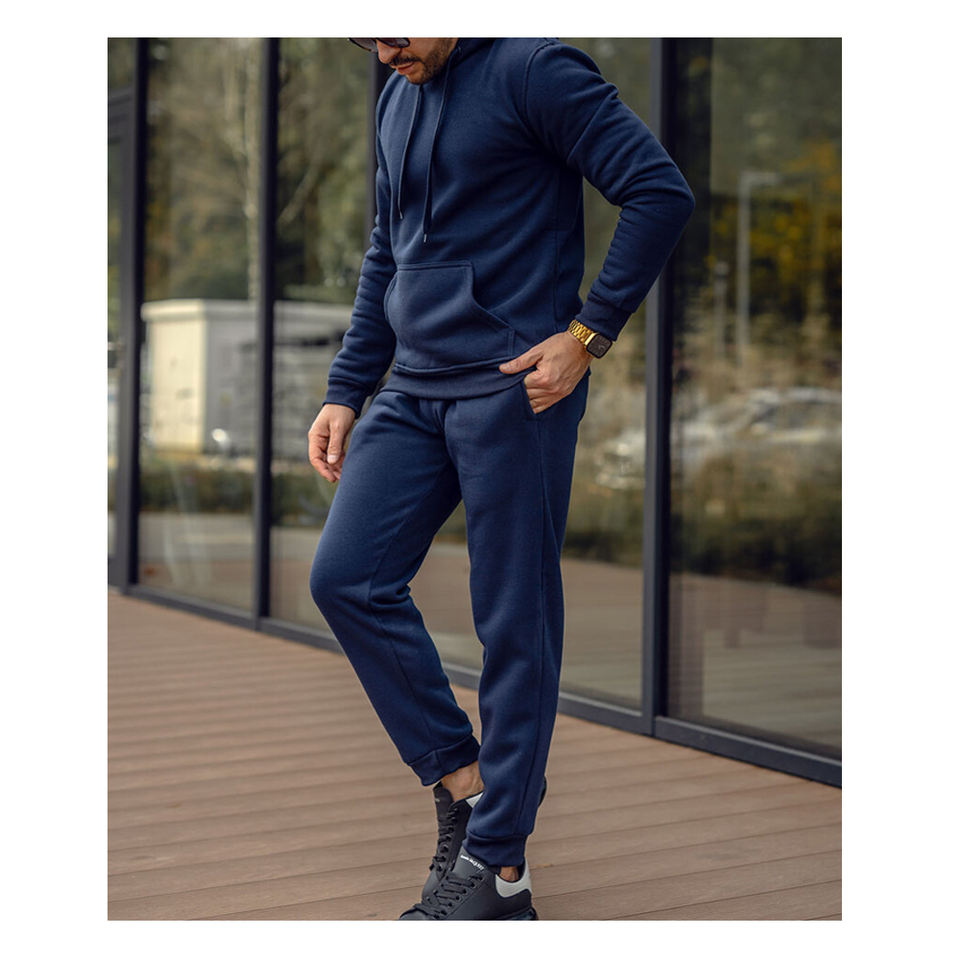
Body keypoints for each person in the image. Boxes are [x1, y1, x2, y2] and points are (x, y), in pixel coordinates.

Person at [308, 37, 694, 921]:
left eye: (397, 26)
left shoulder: (535, 71)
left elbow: (658, 190)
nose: (384, 46)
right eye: (365, 31)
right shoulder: (397, 92)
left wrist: (588, 334)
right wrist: (346, 387)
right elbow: (387, 250)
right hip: (414, 387)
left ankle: (499, 868)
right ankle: (466, 784)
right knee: (346, 579)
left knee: (513, 622)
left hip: (516, 387)